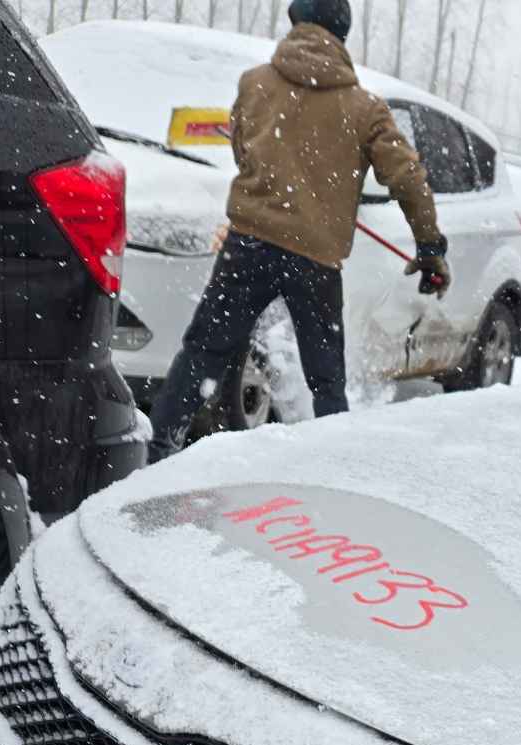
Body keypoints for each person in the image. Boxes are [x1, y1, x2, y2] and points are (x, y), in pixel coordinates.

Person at [146, 0, 448, 459]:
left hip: (249, 245)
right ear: (342, 36)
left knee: (203, 352)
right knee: (326, 378)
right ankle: (333, 464)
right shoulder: (365, 108)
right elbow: (407, 178)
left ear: (296, 23)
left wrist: (273, 191)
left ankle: (159, 450)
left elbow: (243, 151)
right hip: (315, 261)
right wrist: (429, 246)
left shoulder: (254, 84)